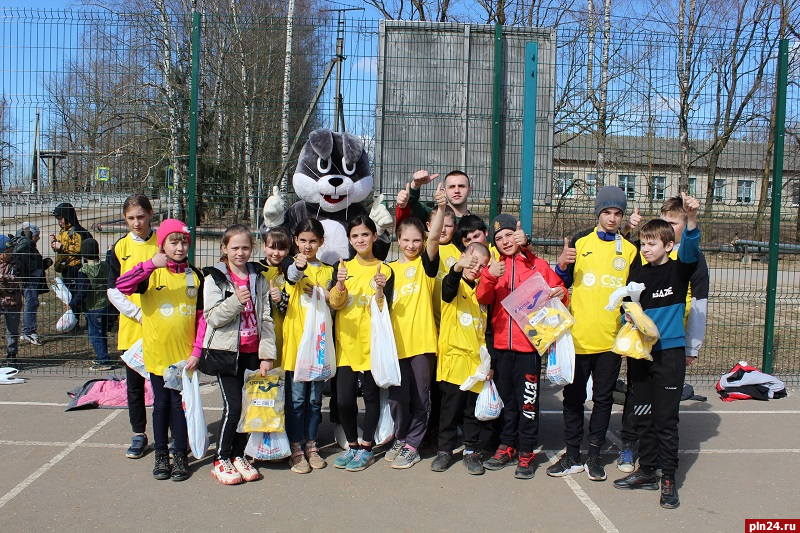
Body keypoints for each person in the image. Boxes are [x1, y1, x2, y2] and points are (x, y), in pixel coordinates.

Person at [613, 193, 701, 510]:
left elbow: (691, 250)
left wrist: (690, 219)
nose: (646, 248)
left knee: (666, 420)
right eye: (644, 243)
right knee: (643, 416)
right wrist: (628, 315)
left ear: (668, 246)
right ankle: (647, 471)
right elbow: (629, 304)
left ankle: (668, 480)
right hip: (641, 355)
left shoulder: (678, 270)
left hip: (669, 355)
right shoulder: (638, 273)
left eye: (652, 244)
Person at [548, 186, 639, 482]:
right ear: (598, 213)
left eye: (617, 213)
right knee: (573, 400)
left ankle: (594, 456)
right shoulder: (580, 242)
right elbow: (560, 282)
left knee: (603, 400)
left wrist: (629, 329)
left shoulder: (629, 250)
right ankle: (572, 455)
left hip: (610, 342)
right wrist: (561, 264)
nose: (612, 218)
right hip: (578, 339)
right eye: (607, 212)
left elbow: (632, 298)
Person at [477, 214, 569, 479]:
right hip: (501, 349)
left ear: (519, 235)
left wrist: (563, 293)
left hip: (529, 349)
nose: (505, 241)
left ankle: (527, 451)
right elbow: (482, 297)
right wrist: (490, 277)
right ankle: (507, 446)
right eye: (498, 238)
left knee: (527, 402)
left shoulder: (537, 264)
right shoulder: (495, 267)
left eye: (509, 234)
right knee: (508, 402)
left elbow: (560, 290)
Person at [116, 219, 202, 482]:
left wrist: (197, 351)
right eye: (173, 242)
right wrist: (150, 264)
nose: (179, 247)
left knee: (179, 406)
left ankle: (179, 455)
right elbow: (122, 286)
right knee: (161, 405)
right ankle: (161, 455)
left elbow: (201, 317)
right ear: (162, 244)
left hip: (183, 358)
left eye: (184, 241)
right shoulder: (151, 273)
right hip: (157, 355)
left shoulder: (195, 275)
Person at [197, 224, 277, 485]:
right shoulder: (214, 279)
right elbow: (213, 318)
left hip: (253, 352)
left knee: (248, 407)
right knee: (232, 407)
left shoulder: (259, 278)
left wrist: (267, 355)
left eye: (245, 247)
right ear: (224, 249)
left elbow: (266, 318)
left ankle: (240, 454)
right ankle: (221, 458)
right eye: (235, 248)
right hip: (226, 354)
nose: (240, 253)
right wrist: (235, 301)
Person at [383, 183, 446, 469]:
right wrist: (377, 290)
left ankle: (413, 444)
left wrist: (442, 208)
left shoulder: (424, 265)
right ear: (398, 240)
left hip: (421, 343)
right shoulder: (388, 270)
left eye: (416, 241)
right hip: (396, 345)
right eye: (406, 240)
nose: (411, 245)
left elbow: (434, 240)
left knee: (421, 398)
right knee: (398, 399)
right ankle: (401, 436)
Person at [328, 215, 395, 472]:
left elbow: (384, 309)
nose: (360, 240)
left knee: (370, 397)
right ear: (349, 239)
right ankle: (353, 445)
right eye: (355, 236)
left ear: (374, 236)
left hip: (372, 345)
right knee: (343, 399)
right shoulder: (342, 267)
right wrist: (341, 283)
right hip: (346, 342)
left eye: (365, 235)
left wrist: (380, 290)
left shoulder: (384, 270)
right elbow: (336, 303)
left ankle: (367, 447)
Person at [431, 243, 492, 474]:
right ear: (462, 257)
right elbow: (448, 286)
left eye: (481, 266)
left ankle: (471, 451)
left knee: (472, 411)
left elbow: (487, 329)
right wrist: (457, 268)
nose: (475, 268)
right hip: (453, 360)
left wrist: (490, 361)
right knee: (449, 409)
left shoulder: (483, 292)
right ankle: (444, 451)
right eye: (472, 261)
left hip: (476, 363)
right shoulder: (452, 284)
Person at [107, 194, 159, 459]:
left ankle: (169, 433)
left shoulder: (164, 243)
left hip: (162, 329)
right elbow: (112, 290)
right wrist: (138, 313)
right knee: (135, 387)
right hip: (133, 328)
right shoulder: (119, 247)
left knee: (167, 385)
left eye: (141, 216)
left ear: (151, 214)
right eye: (131, 218)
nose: (136, 223)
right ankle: (139, 434)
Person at [282, 218, 334, 474]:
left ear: (321, 242)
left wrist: (324, 292)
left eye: (313, 241)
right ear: (295, 241)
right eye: (302, 240)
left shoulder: (327, 270)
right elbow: (292, 277)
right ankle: (295, 448)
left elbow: (336, 300)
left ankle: (311, 445)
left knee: (314, 400)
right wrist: (298, 267)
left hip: (319, 344)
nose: (307, 245)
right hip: (297, 344)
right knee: (297, 400)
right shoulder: (290, 265)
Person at [68, 239, 110, 371]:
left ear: (83, 255)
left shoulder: (84, 271)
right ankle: (102, 355)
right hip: (106, 304)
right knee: (102, 332)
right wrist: (109, 252)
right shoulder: (105, 266)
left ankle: (103, 360)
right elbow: (109, 261)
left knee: (94, 334)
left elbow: (83, 291)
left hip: (93, 307)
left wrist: (72, 304)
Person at [258, 227, 292, 368]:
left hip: (284, 329)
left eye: (282, 249)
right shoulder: (255, 269)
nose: (276, 253)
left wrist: (280, 298)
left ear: (289, 249)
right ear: (264, 246)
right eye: (272, 247)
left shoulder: (290, 271)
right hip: (261, 331)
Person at [17, 223, 49, 346]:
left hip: (32, 279)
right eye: (37, 235)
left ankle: (27, 330)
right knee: (31, 303)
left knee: (32, 303)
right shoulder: (25, 245)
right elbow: (23, 262)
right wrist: (36, 267)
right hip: (30, 280)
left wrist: (42, 264)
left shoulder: (28, 244)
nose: (38, 238)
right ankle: (28, 331)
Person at [50, 202, 93, 294]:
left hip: (75, 267)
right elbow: (61, 248)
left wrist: (61, 247)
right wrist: (54, 243)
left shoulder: (76, 232)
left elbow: (79, 249)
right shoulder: (63, 231)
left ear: (67, 217)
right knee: (67, 293)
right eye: (57, 220)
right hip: (65, 266)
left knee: (74, 292)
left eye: (60, 219)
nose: (59, 222)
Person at [407, 169, 472, 223]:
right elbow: (410, 205)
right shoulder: (432, 215)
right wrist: (415, 185)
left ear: (469, 191)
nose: (457, 191)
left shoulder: (477, 224)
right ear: (444, 192)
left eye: (461, 186)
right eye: (452, 187)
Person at [0, 236, 22, 362]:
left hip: (13, 301)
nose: (9, 254)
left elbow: (18, 277)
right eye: (6, 252)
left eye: (11, 251)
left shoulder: (16, 262)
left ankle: (12, 355)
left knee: (12, 330)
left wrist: (4, 277)